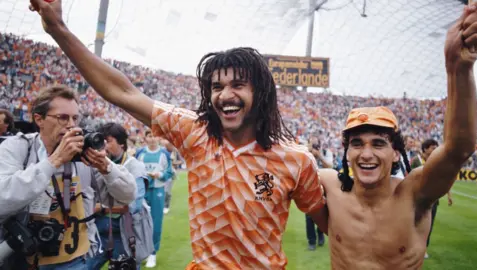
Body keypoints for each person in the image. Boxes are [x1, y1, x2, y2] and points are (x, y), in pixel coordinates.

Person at [29, 1, 327, 269]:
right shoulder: (195, 133)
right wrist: (58, 28)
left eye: (238, 85)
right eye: (216, 87)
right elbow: (121, 91)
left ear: (260, 93)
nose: (226, 95)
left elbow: (332, 226)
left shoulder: (295, 160)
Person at [315, 4, 477, 266]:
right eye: (356, 143)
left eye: (378, 143)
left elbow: (458, 148)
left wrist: (457, 68)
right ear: (347, 152)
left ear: (395, 154)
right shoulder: (328, 185)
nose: (366, 153)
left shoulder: (414, 193)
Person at [0, 85, 137, 270]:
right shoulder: (17, 148)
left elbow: (128, 195)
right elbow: (2, 200)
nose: (72, 125)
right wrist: (54, 161)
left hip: (76, 259)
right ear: (39, 119)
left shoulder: (83, 155)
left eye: (75, 118)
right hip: (23, 260)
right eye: (63, 118)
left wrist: (107, 168)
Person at [88, 123, 153, 270]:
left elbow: (133, 205)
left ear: (122, 143)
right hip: (98, 231)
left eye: (108, 141)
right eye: (101, 141)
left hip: (124, 233)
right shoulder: (96, 164)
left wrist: (100, 208)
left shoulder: (135, 166)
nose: (104, 146)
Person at [410, 139, 453, 259]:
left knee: (428, 226)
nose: (435, 150)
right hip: (416, 199)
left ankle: (423, 249)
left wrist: (449, 195)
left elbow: (444, 179)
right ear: (425, 149)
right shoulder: (415, 161)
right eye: (432, 147)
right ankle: (410, 246)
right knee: (413, 224)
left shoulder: (437, 163)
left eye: (436, 147)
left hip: (433, 200)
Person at [136, 131, 173, 268]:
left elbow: (169, 172)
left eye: (154, 136)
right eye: (149, 136)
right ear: (145, 138)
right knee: (139, 222)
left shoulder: (164, 154)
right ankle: (141, 252)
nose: (152, 139)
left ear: (158, 138)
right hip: (142, 191)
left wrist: (160, 175)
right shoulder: (140, 153)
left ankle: (152, 253)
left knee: (156, 222)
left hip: (157, 190)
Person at [305, 135, 333, 250]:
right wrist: (310, 153)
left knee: (323, 212)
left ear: (321, 145)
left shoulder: (327, 153)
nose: (316, 147)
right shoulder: (306, 154)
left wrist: (319, 156)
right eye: (313, 145)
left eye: (317, 144)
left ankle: (320, 234)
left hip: (325, 186)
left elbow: (330, 166)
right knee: (309, 215)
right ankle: (312, 241)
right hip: (310, 187)